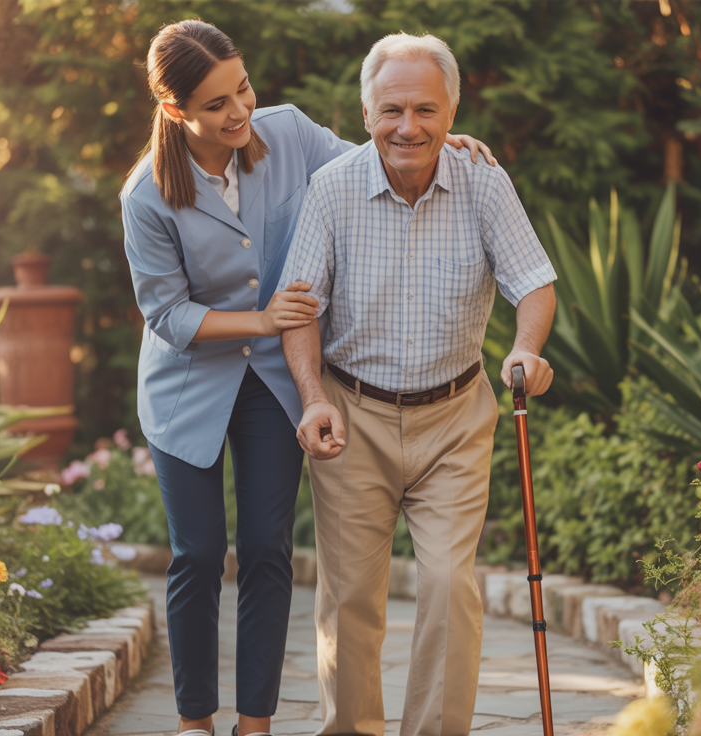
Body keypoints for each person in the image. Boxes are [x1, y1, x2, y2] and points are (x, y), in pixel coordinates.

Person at [120, 20, 494, 736]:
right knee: (198, 554)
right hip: (187, 388)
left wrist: (438, 143)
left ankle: (255, 722)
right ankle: (195, 720)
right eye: (217, 104)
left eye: (244, 89)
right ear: (175, 110)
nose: (240, 111)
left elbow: (372, 163)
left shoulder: (288, 132)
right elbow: (166, 314)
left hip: (272, 383)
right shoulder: (146, 196)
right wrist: (262, 318)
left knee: (268, 550)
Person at [277, 32, 558, 736]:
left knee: (448, 585)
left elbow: (534, 282)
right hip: (353, 414)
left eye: (427, 110)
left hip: (455, 416)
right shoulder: (332, 188)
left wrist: (526, 350)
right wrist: (313, 398)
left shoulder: (484, 182)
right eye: (393, 110)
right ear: (366, 113)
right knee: (350, 598)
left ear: (452, 111)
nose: (409, 126)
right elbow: (300, 308)